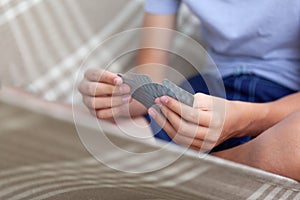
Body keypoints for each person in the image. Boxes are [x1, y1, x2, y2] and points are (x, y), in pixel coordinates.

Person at [78, 0, 300, 180]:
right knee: (86, 126)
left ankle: (194, 171)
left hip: (287, 100)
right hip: (212, 90)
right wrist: (120, 95)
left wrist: (242, 119)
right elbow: (151, 73)